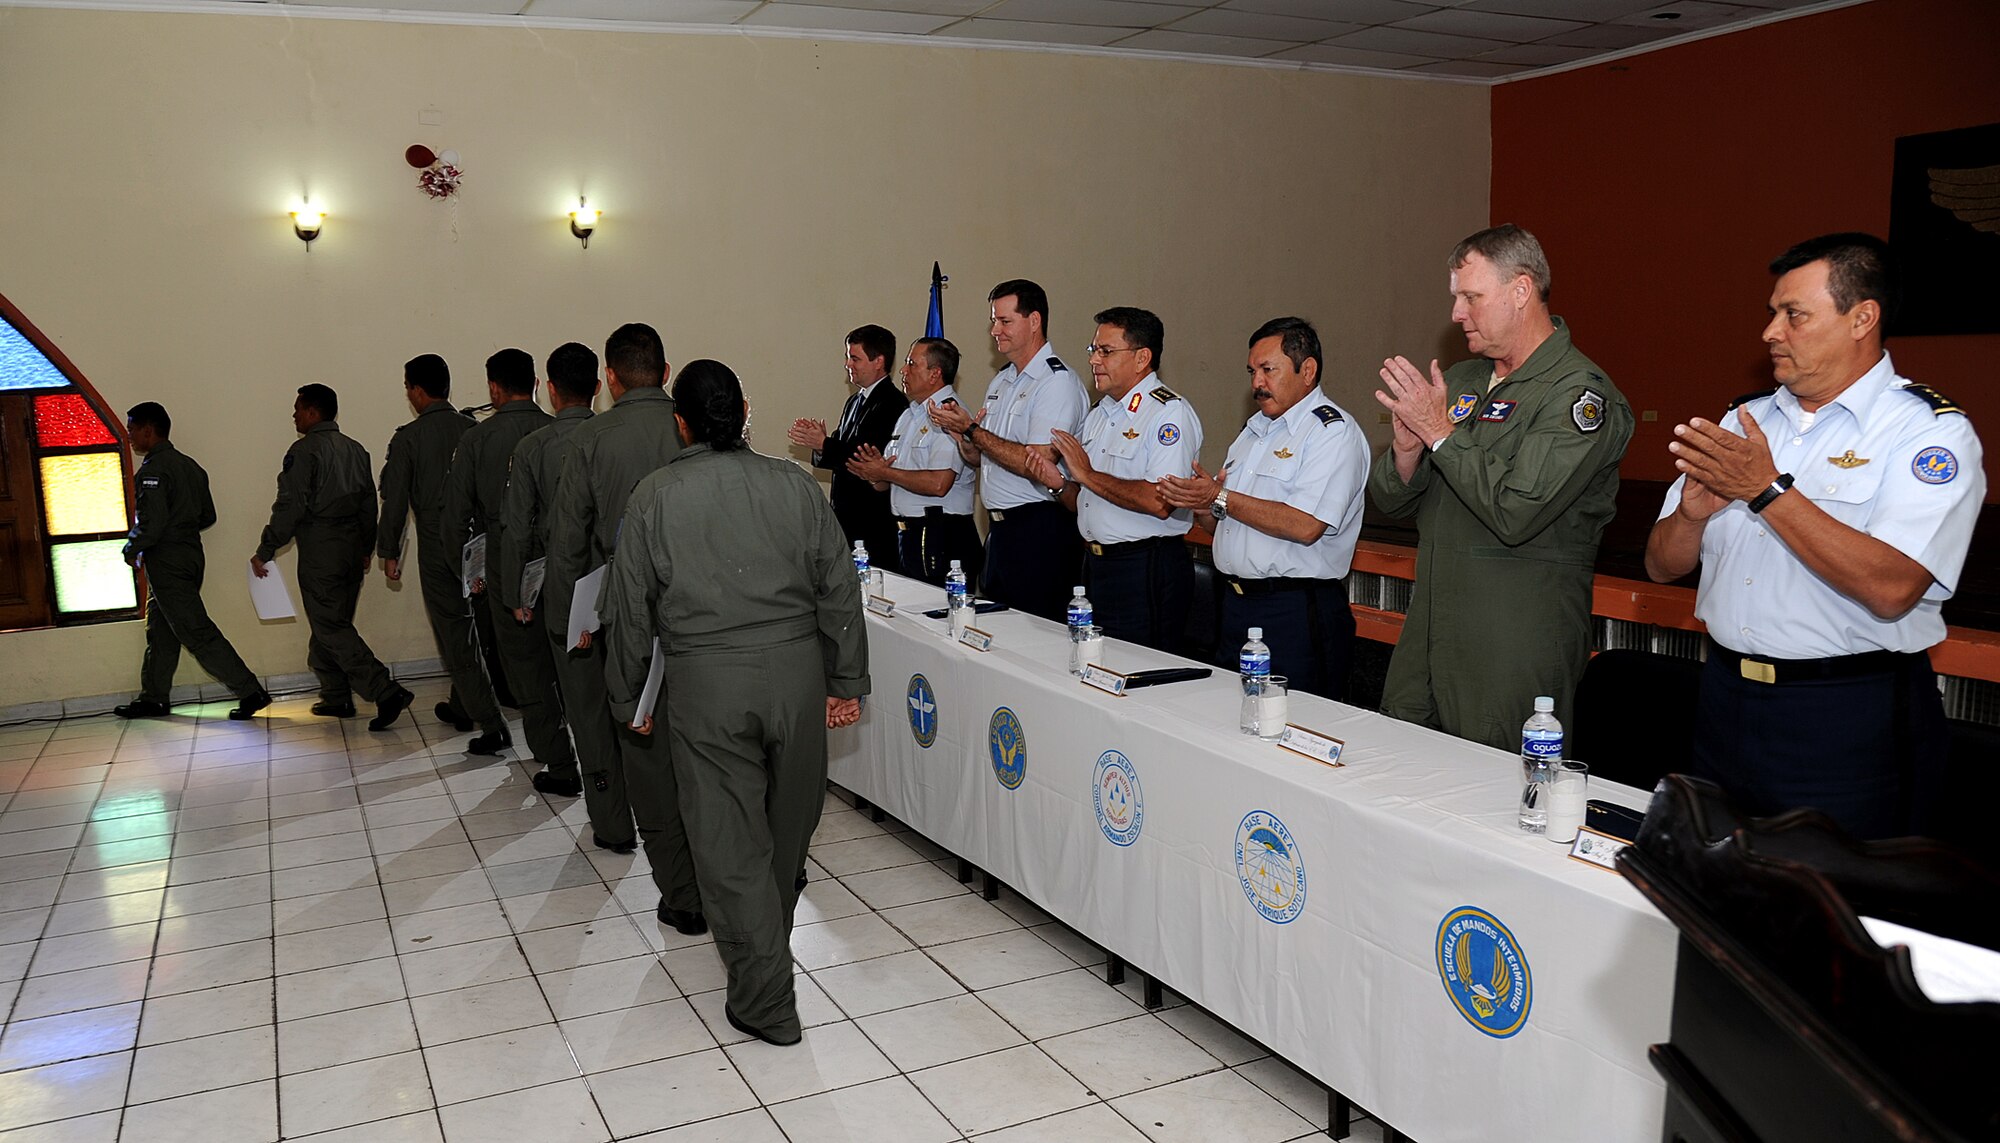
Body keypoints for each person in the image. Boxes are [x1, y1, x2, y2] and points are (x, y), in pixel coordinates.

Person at [1644, 233, 1984, 839]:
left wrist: (1767, 490)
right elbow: (1660, 566)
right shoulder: (1742, 421)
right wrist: (1692, 517)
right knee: (1715, 900)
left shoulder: (1926, 433)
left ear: (1862, 318)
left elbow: (1892, 586)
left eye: (1793, 315)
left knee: (1841, 915)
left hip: (1848, 719)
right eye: (1773, 313)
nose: (1771, 332)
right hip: (1725, 702)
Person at [601, 359, 868, 1048]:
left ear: (680, 420)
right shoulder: (794, 483)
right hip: (798, 680)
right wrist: (845, 680)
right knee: (788, 826)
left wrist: (629, 695)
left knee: (729, 842)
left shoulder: (654, 496)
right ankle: (764, 956)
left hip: (708, 686)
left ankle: (766, 998)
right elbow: (839, 586)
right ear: (744, 411)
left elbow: (629, 611)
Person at [1368, 224, 1632, 749]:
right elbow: (1393, 501)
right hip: (1430, 629)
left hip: (1509, 643)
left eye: (1471, 297)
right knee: (1399, 775)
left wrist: (1440, 432)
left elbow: (1518, 509)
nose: (1456, 313)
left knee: (1494, 800)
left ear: (1520, 291)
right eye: (1455, 298)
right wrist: (1406, 450)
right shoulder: (1463, 381)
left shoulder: (1579, 397)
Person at [546, 323, 702, 927]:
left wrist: (570, 624)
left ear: (611, 378)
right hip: (705, 608)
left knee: (643, 740)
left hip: (629, 606)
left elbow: (567, 545)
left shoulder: (592, 439)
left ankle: (678, 885)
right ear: (666, 371)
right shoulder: (695, 423)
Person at [1162, 318, 1370, 699]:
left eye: (1268, 370)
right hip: (1236, 608)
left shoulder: (1332, 433)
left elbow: (1306, 525)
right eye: (1252, 371)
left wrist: (1219, 497)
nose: (1257, 382)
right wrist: (1201, 504)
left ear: (1307, 370)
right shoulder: (1253, 433)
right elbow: (1226, 525)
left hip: (1293, 613)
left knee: (1296, 733)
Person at [497, 343, 636, 851]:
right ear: (600, 386)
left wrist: (517, 593)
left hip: (570, 591)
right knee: (638, 699)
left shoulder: (535, 448)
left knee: (587, 710)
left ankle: (613, 823)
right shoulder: (623, 437)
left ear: (550, 389)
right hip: (630, 589)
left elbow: (516, 530)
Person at [1026, 307, 1202, 652]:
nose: (1094, 360)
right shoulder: (1100, 413)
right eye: (1093, 350)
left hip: (1144, 568)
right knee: (1095, 671)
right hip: (1096, 565)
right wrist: (1059, 484)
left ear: (1142, 358)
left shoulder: (1169, 413)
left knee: (1139, 676)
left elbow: (1159, 501)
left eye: (1106, 351)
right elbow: (1086, 501)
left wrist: (1087, 474)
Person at [443, 349, 576, 783]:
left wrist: (469, 573)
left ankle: (556, 757)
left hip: (507, 563)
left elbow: (456, 516)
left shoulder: (477, 439)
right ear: (538, 384)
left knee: (526, 665)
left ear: (494, 388)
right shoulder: (558, 431)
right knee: (572, 660)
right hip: (564, 557)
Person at [252, 384, 415, 730]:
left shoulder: (304, 451)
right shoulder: (356, 450)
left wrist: (266, 548)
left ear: (313, 412)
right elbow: (370, 504)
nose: (294, 415)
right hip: (351, 549)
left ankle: (384, 690)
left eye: (298, 409)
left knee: (330, 625)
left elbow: (290, 506)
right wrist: (366, 549)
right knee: (329, 623)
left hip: (320, 549)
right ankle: (336, 695)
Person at [929, 279, 1087, 622]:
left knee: (1036, 636)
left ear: (1034, 321)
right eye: (993, 321)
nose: (994, 330)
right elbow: (984, 457)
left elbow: (1039, 461)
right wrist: (964, 440)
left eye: (1004, 321)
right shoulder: (1002, 381)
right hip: (1000, 531)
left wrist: (973, 430)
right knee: (998, 634)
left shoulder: (1056, 383)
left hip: (1039, 529)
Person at [376, 354, 510, 755]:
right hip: (481, 543)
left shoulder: (409, 439)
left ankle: (491, 723)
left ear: (417, 391)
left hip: (438, 547)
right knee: (478, 630)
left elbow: (395, 501)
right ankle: (462, 705)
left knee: (456, 634)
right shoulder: (476, 430)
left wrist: (388, 551)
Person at [112, 403, 270, 721]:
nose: (129, 436)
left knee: (195, 631)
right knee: (160, 629)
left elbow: (151, 524)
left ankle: (250, 690)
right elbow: (207, 515)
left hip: (167, 560)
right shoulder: (190, 466)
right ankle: (153, 698)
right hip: (188, 555)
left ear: (148, 430)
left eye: (131, 429)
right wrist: (180, 530)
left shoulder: (154, 470)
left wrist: (131, 548)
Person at [844, 337, 983, 586]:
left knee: (937, 618)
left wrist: (886, 473)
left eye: (911, 364)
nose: (902, 370)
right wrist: (874, 472)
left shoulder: (950, 414)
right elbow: (887, 483)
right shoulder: (910, 415)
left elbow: (939, 484)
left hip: (940, 534)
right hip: (907, 534)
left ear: (934, 374)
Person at [788, 324, 908, 572]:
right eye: (847, 357)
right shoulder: (854, 400)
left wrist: (824, 443)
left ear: (879, 361)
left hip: (873, 520)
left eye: (855, 358)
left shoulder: (892, 403)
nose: (847, 364)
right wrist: (821, 445)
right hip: (847, 517)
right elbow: (840, 448)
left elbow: (864, 457)